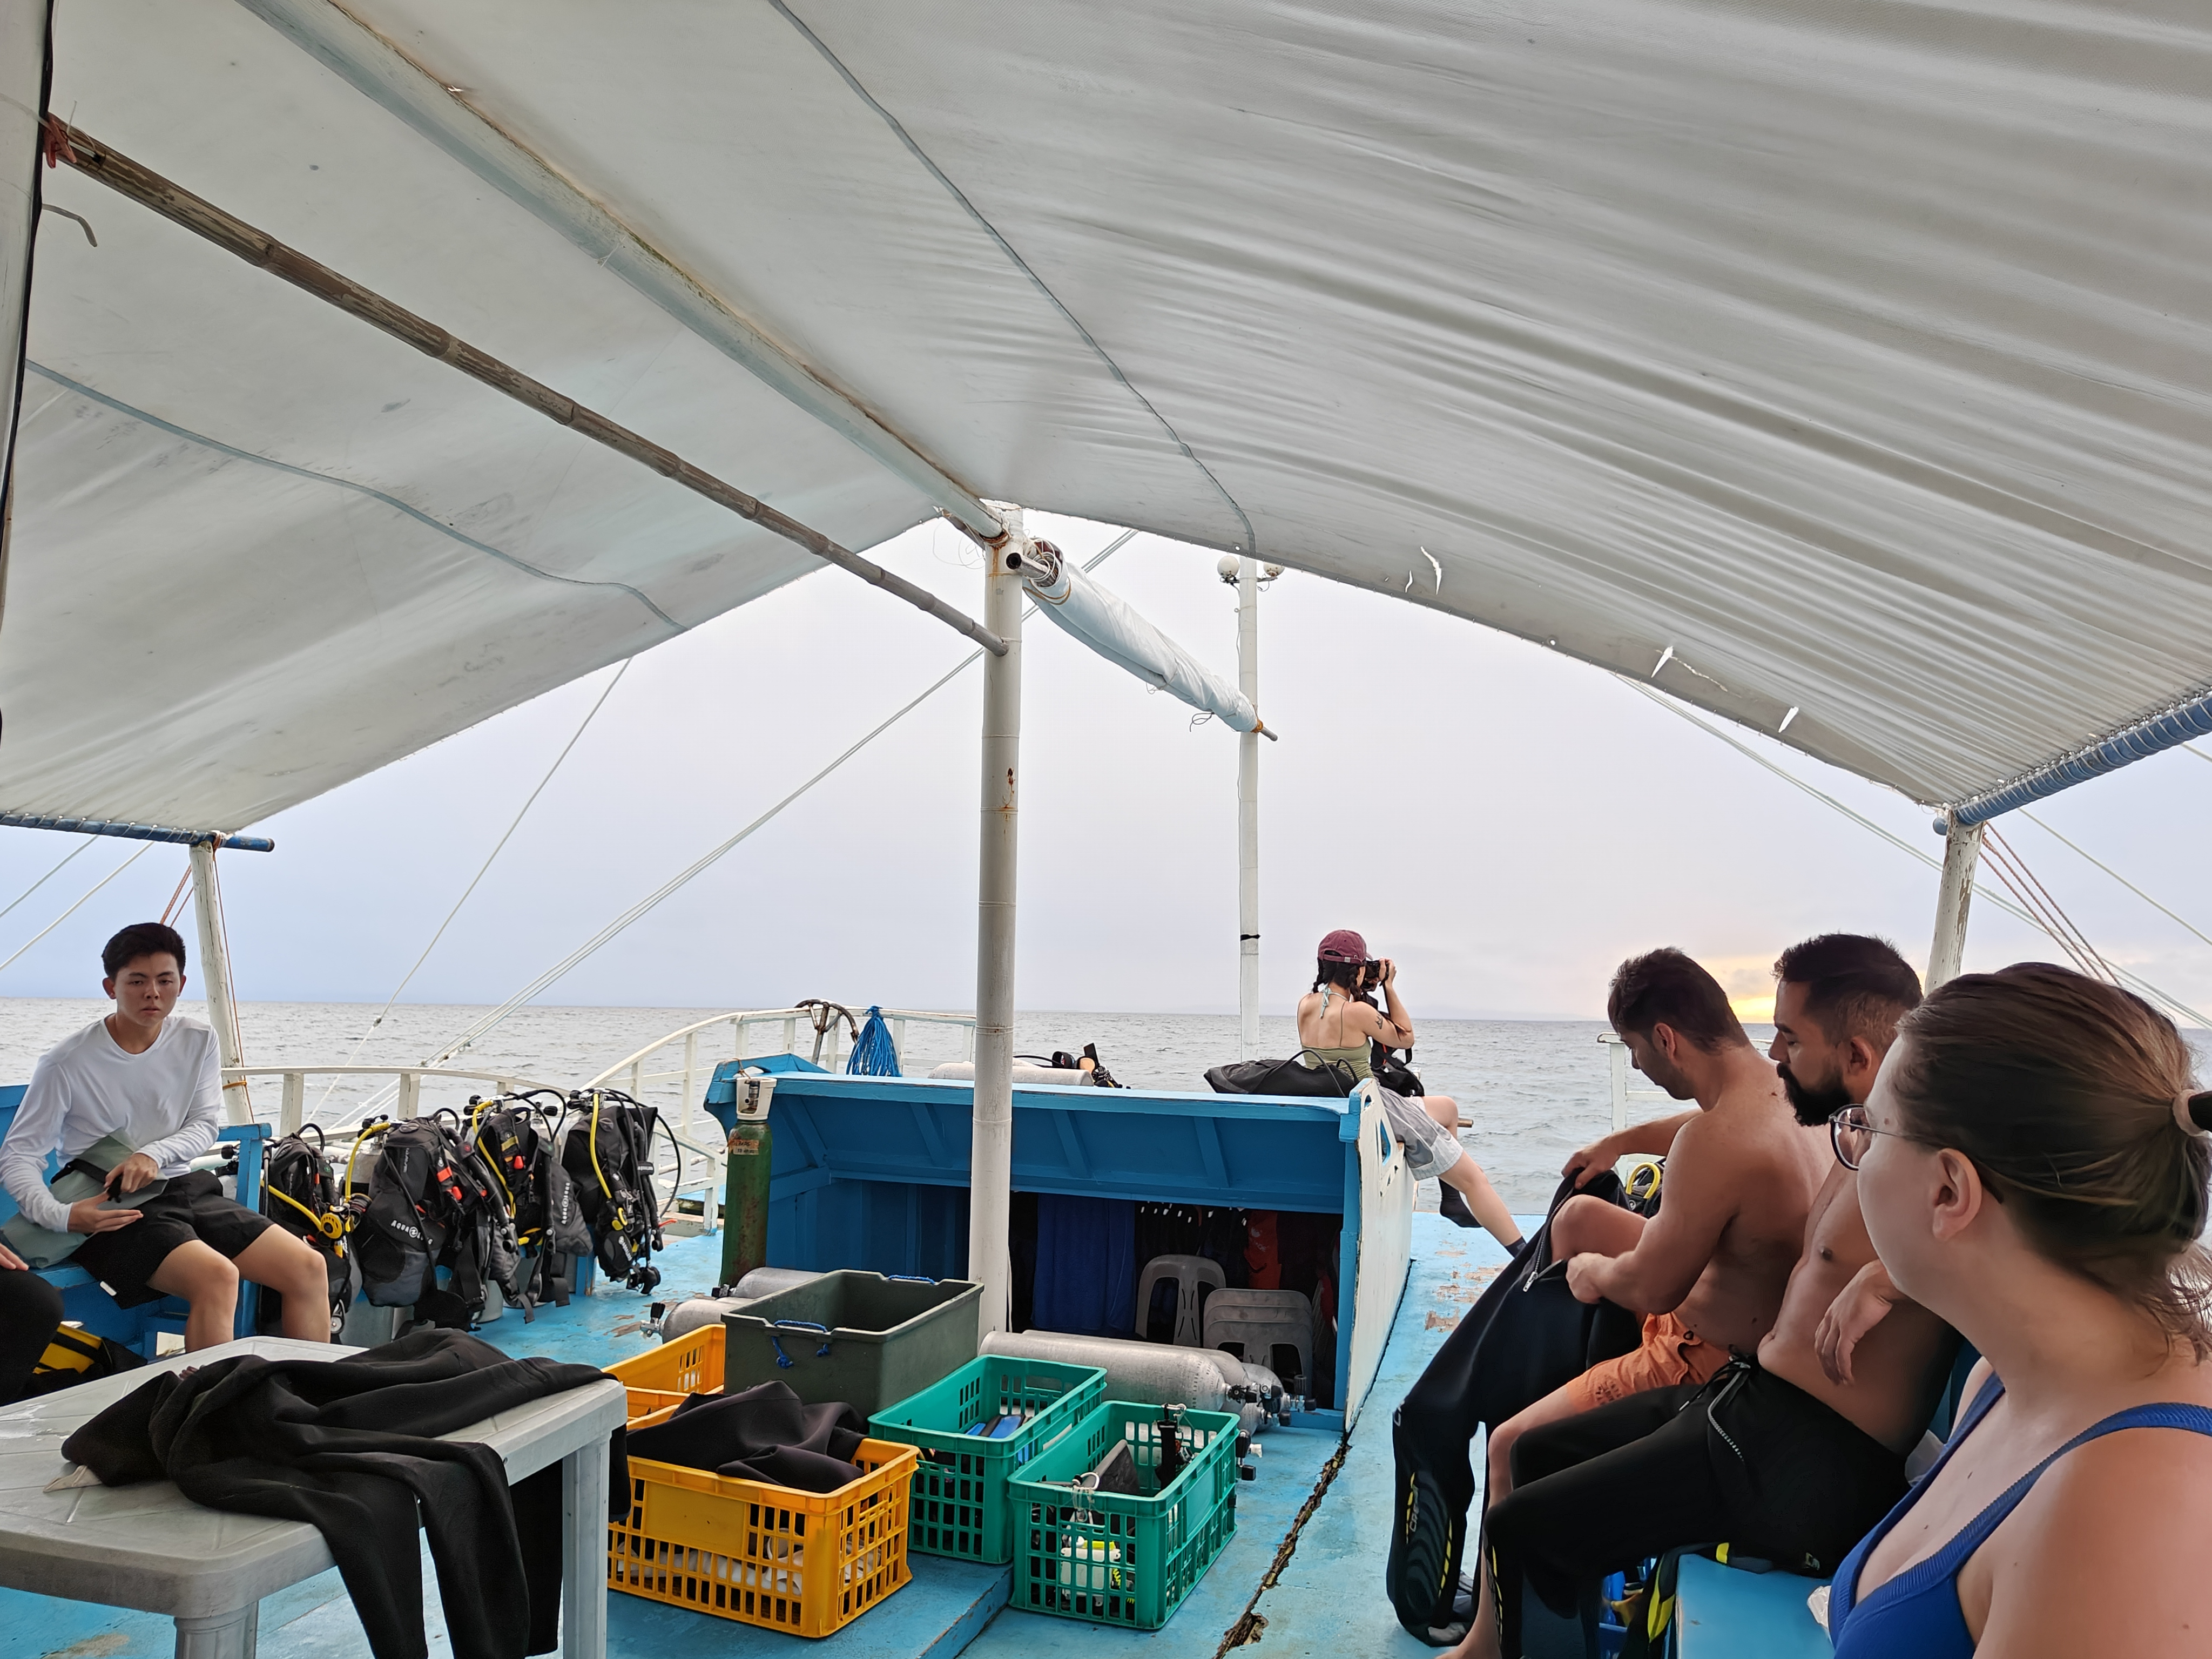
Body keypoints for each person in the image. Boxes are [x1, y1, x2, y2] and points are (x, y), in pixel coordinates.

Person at [1458, 934, 1955, 1658]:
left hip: (1805, 1456)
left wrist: (1890, 1278)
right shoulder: (1857, 1128)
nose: (1774, 1054)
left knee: (1519, 1529)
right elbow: (1724, 1123)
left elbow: (2033, 1221)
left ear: (1856, 1055)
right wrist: (1627, 1140)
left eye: (1790, 1038)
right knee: (1534, 1453)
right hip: (1753, 1400)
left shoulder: (1930, 1156)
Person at [1826, 965, 2212, 1657]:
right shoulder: (2002, 1383)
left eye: (1871, 1129)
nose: (1856, 1145)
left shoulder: (2131, 1512)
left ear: (1949, 1191)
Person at [1473, 948, 1827, 1545]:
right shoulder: (1786, 1092)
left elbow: (1651, 1288)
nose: (1636, 1065)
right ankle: (1554, 1387)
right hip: (1743, 1311)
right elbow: (1706, 1126)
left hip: (1707, 1356)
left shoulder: (1714, 1141)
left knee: (1510, 1445)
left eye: (1634, 1049)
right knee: (1582, 1214)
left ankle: (1493, 1608)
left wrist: (1592, 1272)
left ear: (1665, 1039)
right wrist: (1619, 1143)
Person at [0, 922, 331, 1350]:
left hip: (182, 1188)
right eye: (137, 981)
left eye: (164, 980)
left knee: (309, 1267)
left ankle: (315, 1387)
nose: (152, 993)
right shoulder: (67, 1061)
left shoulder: (198, 1040)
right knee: (217, 1277)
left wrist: (153, 1155)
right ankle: (208, 1396)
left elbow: (204, 1124)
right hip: (112, 1205)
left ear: (181, 984)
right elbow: (19, 1154)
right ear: (111, 987)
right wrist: (61, 1216)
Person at [1298, 929, 1521, 1247]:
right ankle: (1526, 1258)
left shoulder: (1305, 1006)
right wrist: (1388, 986)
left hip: (1336, 1102)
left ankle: (1450, 1200)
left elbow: (1337, 1016)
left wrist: (1361, 985)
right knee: (1476, 1179)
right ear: (1357, 970)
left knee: (1448, 1109)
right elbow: (1405, 1037)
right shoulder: (1358, 1012)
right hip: (1372, 1106)